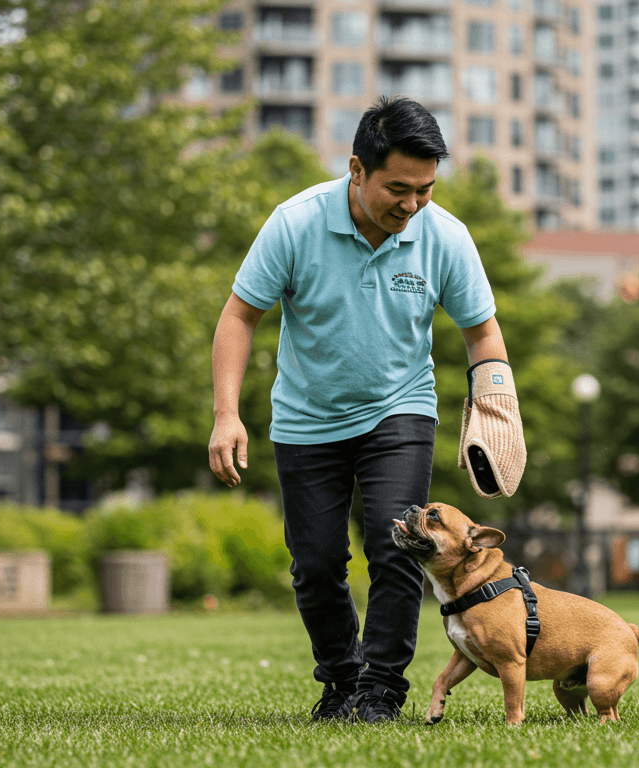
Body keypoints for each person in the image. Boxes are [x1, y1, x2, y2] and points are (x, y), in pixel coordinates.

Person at [208, 96, 510, 724]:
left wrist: (496, 409)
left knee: (397, 547)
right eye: (398, 189)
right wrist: (226, 414)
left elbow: (482, 331)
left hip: (400, 408)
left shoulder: (445, 236)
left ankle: (380, 691)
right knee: (316, 564)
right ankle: (342, 681)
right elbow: (239, 315)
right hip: (306, 417)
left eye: (425, 189)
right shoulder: (295, 224)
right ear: (356, 169)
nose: (412, 204)